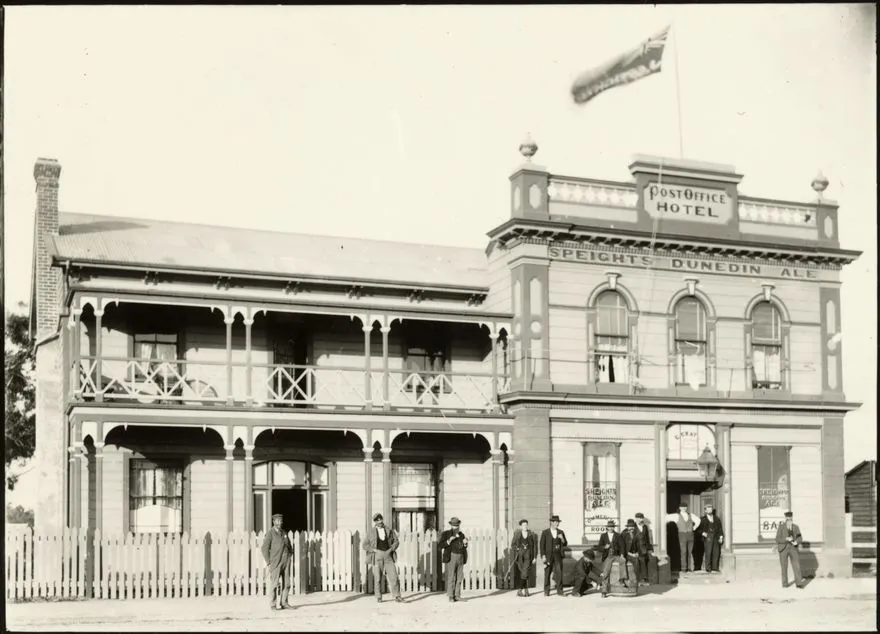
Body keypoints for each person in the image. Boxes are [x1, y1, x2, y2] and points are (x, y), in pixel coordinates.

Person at [362, 513, 403, 603]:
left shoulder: (389, 530)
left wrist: (391, 549)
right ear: (375, 522)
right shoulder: (371, 532)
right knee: (377, 578)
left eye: (380, 520)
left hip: (388, 555)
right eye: (377, 521)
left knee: (394, 577)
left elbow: (396, 541)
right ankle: (378, 597)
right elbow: (364, 545)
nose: (380, 522)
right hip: (377, 556)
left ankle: (397, 596)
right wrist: (373, 550)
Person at [260, 513, 293, 610]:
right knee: (274, 584)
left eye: (281, 521)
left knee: (287, 583)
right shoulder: (270, 533)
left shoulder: (284, 532)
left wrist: (290, 554)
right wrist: (268, 562)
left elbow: (289, 544)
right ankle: (273, 604)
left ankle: (284, 603)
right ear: (273, 522)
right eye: (277, 521)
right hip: (276, 562)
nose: (280, 523)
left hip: (286, 561)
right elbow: (264, 548)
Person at [440, 517, 469, 602]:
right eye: (454, 525)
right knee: (451, 576)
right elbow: (440, 545)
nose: (456, 527)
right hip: (451, 556)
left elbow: (463, 547)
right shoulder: (446, 534)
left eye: (457, 525)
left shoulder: (461, 534)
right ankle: (451, 596)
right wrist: (449, 540)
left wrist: (465, 544)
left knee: (459, 577)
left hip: (461, 557)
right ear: (451, 525)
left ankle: (457, 595)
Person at [665, 503, 700, 574]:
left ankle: (689, 568)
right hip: (682, 535)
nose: (684, 508)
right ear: (680, 508)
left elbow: (698, 520)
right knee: (683, 552)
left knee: (690, 552)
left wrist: (694, 528)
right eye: (682, 507)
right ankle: (684, 568)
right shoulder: (676, 516)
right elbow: (666, 517)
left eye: (685, 507)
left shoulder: (691, 515)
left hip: (690, 535)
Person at [776, 511, 806, 589]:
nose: (789, 519)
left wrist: (796, 542)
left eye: (790, 518)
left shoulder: (796, 527)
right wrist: (786, 539)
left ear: (792, 518)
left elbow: (800, 537)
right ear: (785, 518)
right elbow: (777, 539)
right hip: (783, 549)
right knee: (784, 567)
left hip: (793, 548)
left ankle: (799, 583)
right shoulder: (781, 527)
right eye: (787, 518)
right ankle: (785, 584)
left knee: (797, 566)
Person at [539, 514, 568, 596]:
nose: (557, 524)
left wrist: (562, 538)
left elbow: (565, 543)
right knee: (547, 573)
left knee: (559, 573)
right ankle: (546, 591)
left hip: (558, 555)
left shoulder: (560, 532)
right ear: (551, 522)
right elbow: (541, 545)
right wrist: (543, 556)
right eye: (555, 522)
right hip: (548, 555)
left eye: (558, 522)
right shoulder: (545, 532)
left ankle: (560, 591)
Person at [510, 519, 537, 597]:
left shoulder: (531, 534)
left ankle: (520, 590)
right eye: (523, 525)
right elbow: (513, 544)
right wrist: (517, 548)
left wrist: (535, 557)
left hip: (528, 555)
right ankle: (526, 590)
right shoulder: (517, 534)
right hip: (520, 556)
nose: (525, 526)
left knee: (524, 572)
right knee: (524, 573)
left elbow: (535, 546)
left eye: (526, 525)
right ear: (521, 526)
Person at [697, 504, 724, 573]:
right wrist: (703, 533)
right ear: (705, 511)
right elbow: (698, 529)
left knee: (716, 552)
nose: (710, 510)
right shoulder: (702, 519)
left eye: (711, 509)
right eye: (708, 509)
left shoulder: (716, 518)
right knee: (708, 552)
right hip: (708, 537)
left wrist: (721, 537)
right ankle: (708, 568)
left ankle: (715, 568)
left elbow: (720, 529)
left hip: (716, 537)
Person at [633, 512, 654, 585]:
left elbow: (647, 538)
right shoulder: (633, 526)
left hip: (644, 548)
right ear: (636, 519)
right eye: (638, 518)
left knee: (644, 562)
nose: (640, 520)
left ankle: (644, 579)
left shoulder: (645, 527)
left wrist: (649, 549)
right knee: (637, 563)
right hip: (635, 548)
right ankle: (639, 579)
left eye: (641, 518)